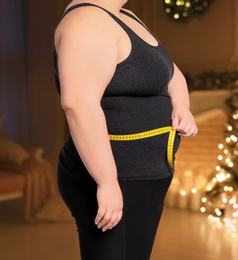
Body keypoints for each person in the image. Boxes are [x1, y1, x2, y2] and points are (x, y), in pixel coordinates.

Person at [53, 0, 198, 259]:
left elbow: (170, 72)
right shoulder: (87, 20)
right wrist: (107, 182)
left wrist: (182, 106)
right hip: (115, 177)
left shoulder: (124, 16)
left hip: (143, 175)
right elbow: (78, 104)